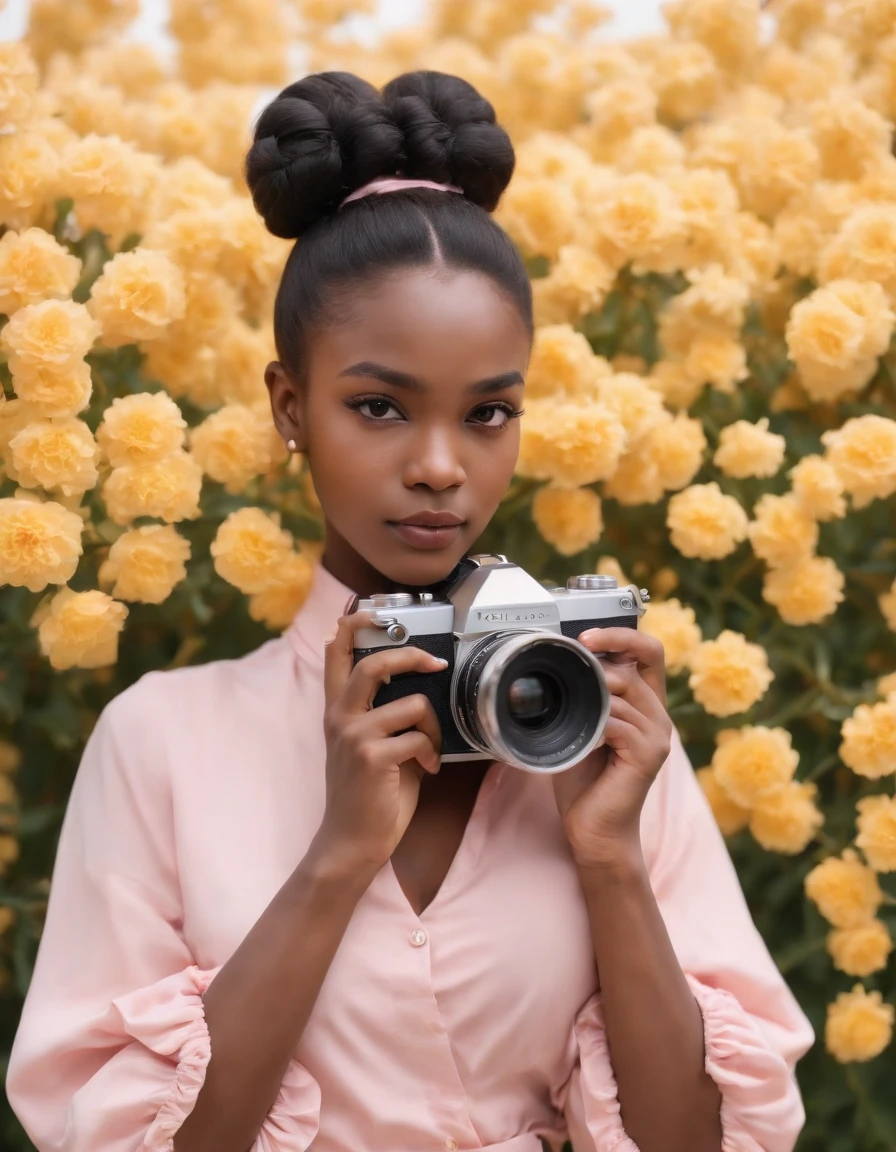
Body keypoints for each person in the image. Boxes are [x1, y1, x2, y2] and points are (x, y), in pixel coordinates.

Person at [7, 70, 813, 1152]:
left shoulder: (600, 730)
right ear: (289, 407)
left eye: (488, 413)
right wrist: (337, 855)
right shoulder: (160, 743)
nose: (439, 467)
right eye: (378, 407)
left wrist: (610, 856)